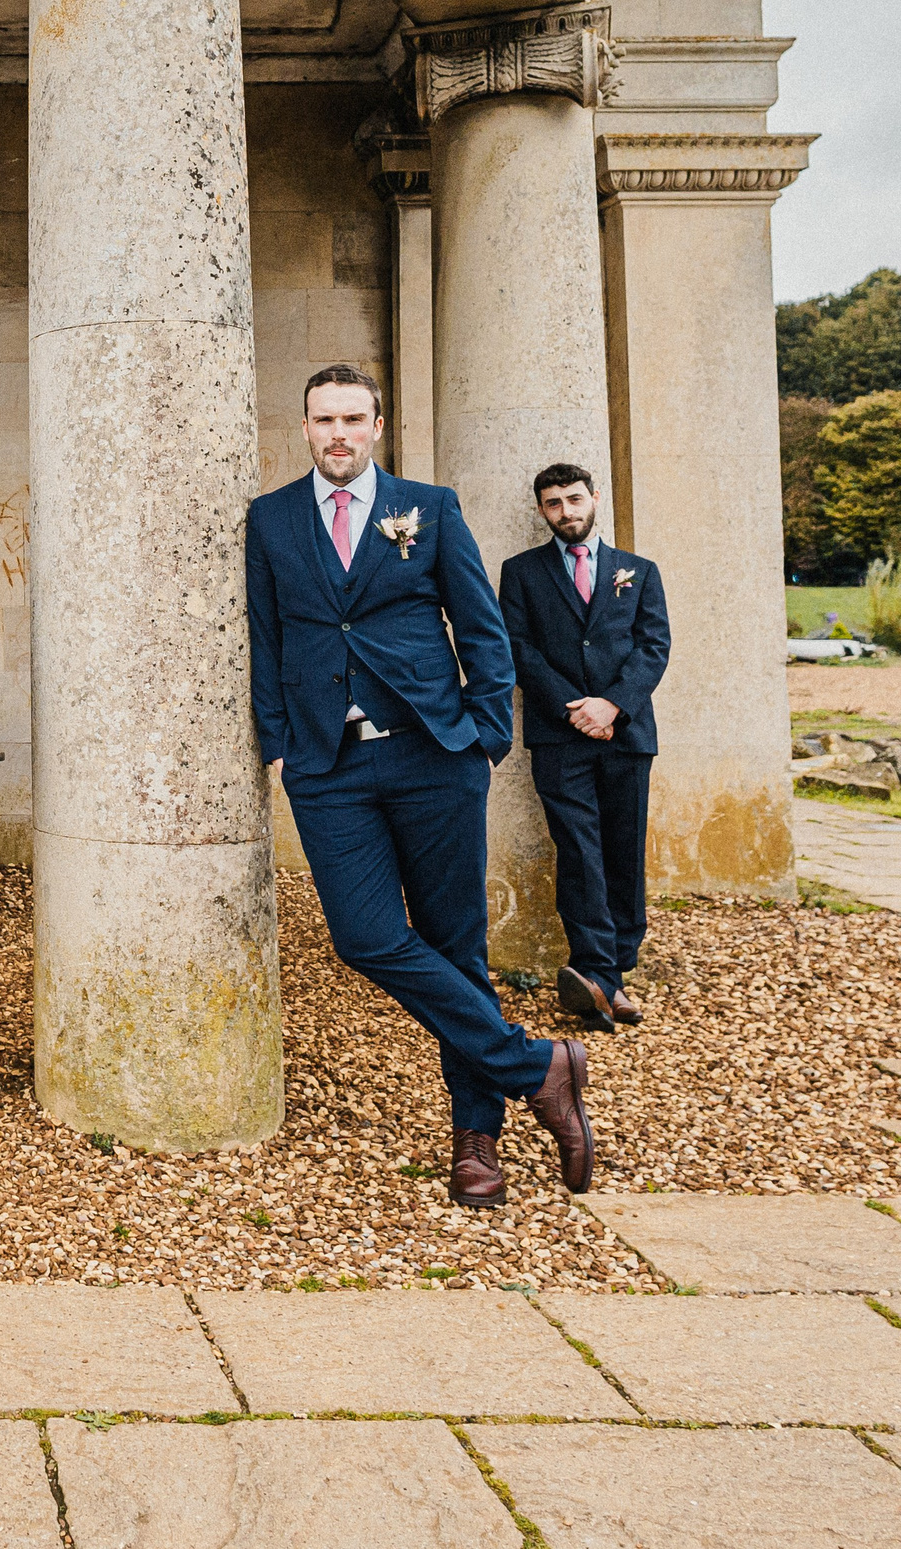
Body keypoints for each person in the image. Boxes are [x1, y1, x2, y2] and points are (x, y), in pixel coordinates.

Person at [244, 365, 594, 1209]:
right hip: (328, 766)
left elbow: (481, 627)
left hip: (434, 756)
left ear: (377, 424)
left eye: (352, 419)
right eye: (323, 419)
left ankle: (476, 1136)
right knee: (364, 937)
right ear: (304, 426)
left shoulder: (428, 508)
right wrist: (280, 746)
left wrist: (483, 737)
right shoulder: (271, 518)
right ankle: (537, 1065)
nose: (338, 433)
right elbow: (265, 633)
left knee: (454, 943)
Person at [499, 463, 671, 1032]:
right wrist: (574, 708)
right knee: (578, 850)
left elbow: (653, 647)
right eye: (554, 504)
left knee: (624, 849)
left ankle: (614, 967)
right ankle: (599, 973)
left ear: (594, 498)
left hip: (626, 734)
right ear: (541, 510)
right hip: (560, 735)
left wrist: (612, 706)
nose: (566, 512)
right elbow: (518, 648)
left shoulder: (638, 571)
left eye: (574, 499)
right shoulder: (521, 573)